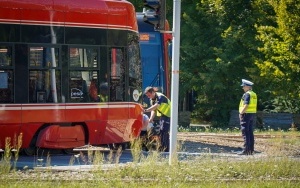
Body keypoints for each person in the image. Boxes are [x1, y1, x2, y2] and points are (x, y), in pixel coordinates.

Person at [143, 86, 171, 152]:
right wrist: (151, 119)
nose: (148, 97)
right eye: (147, 96)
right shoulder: (152, 100)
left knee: (163, 131)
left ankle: (165, 149)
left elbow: (156, 106)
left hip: (169, 115)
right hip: (163, 116)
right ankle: (163, 148)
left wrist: (146, 110)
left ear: (153, 92)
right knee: (161, 132)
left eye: (149, 95)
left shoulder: (160, 97)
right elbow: (154, 110)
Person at [238, 79, 257, 155]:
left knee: (245, 132)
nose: (243, 88)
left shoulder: (247, 94)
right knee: (250, 132)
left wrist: (241, 112)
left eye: (244, 86)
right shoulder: (253, 94)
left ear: (247, 87)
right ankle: (251, 150)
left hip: (245, 114)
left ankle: (246, 150)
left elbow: (246, 104)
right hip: (251, 114)